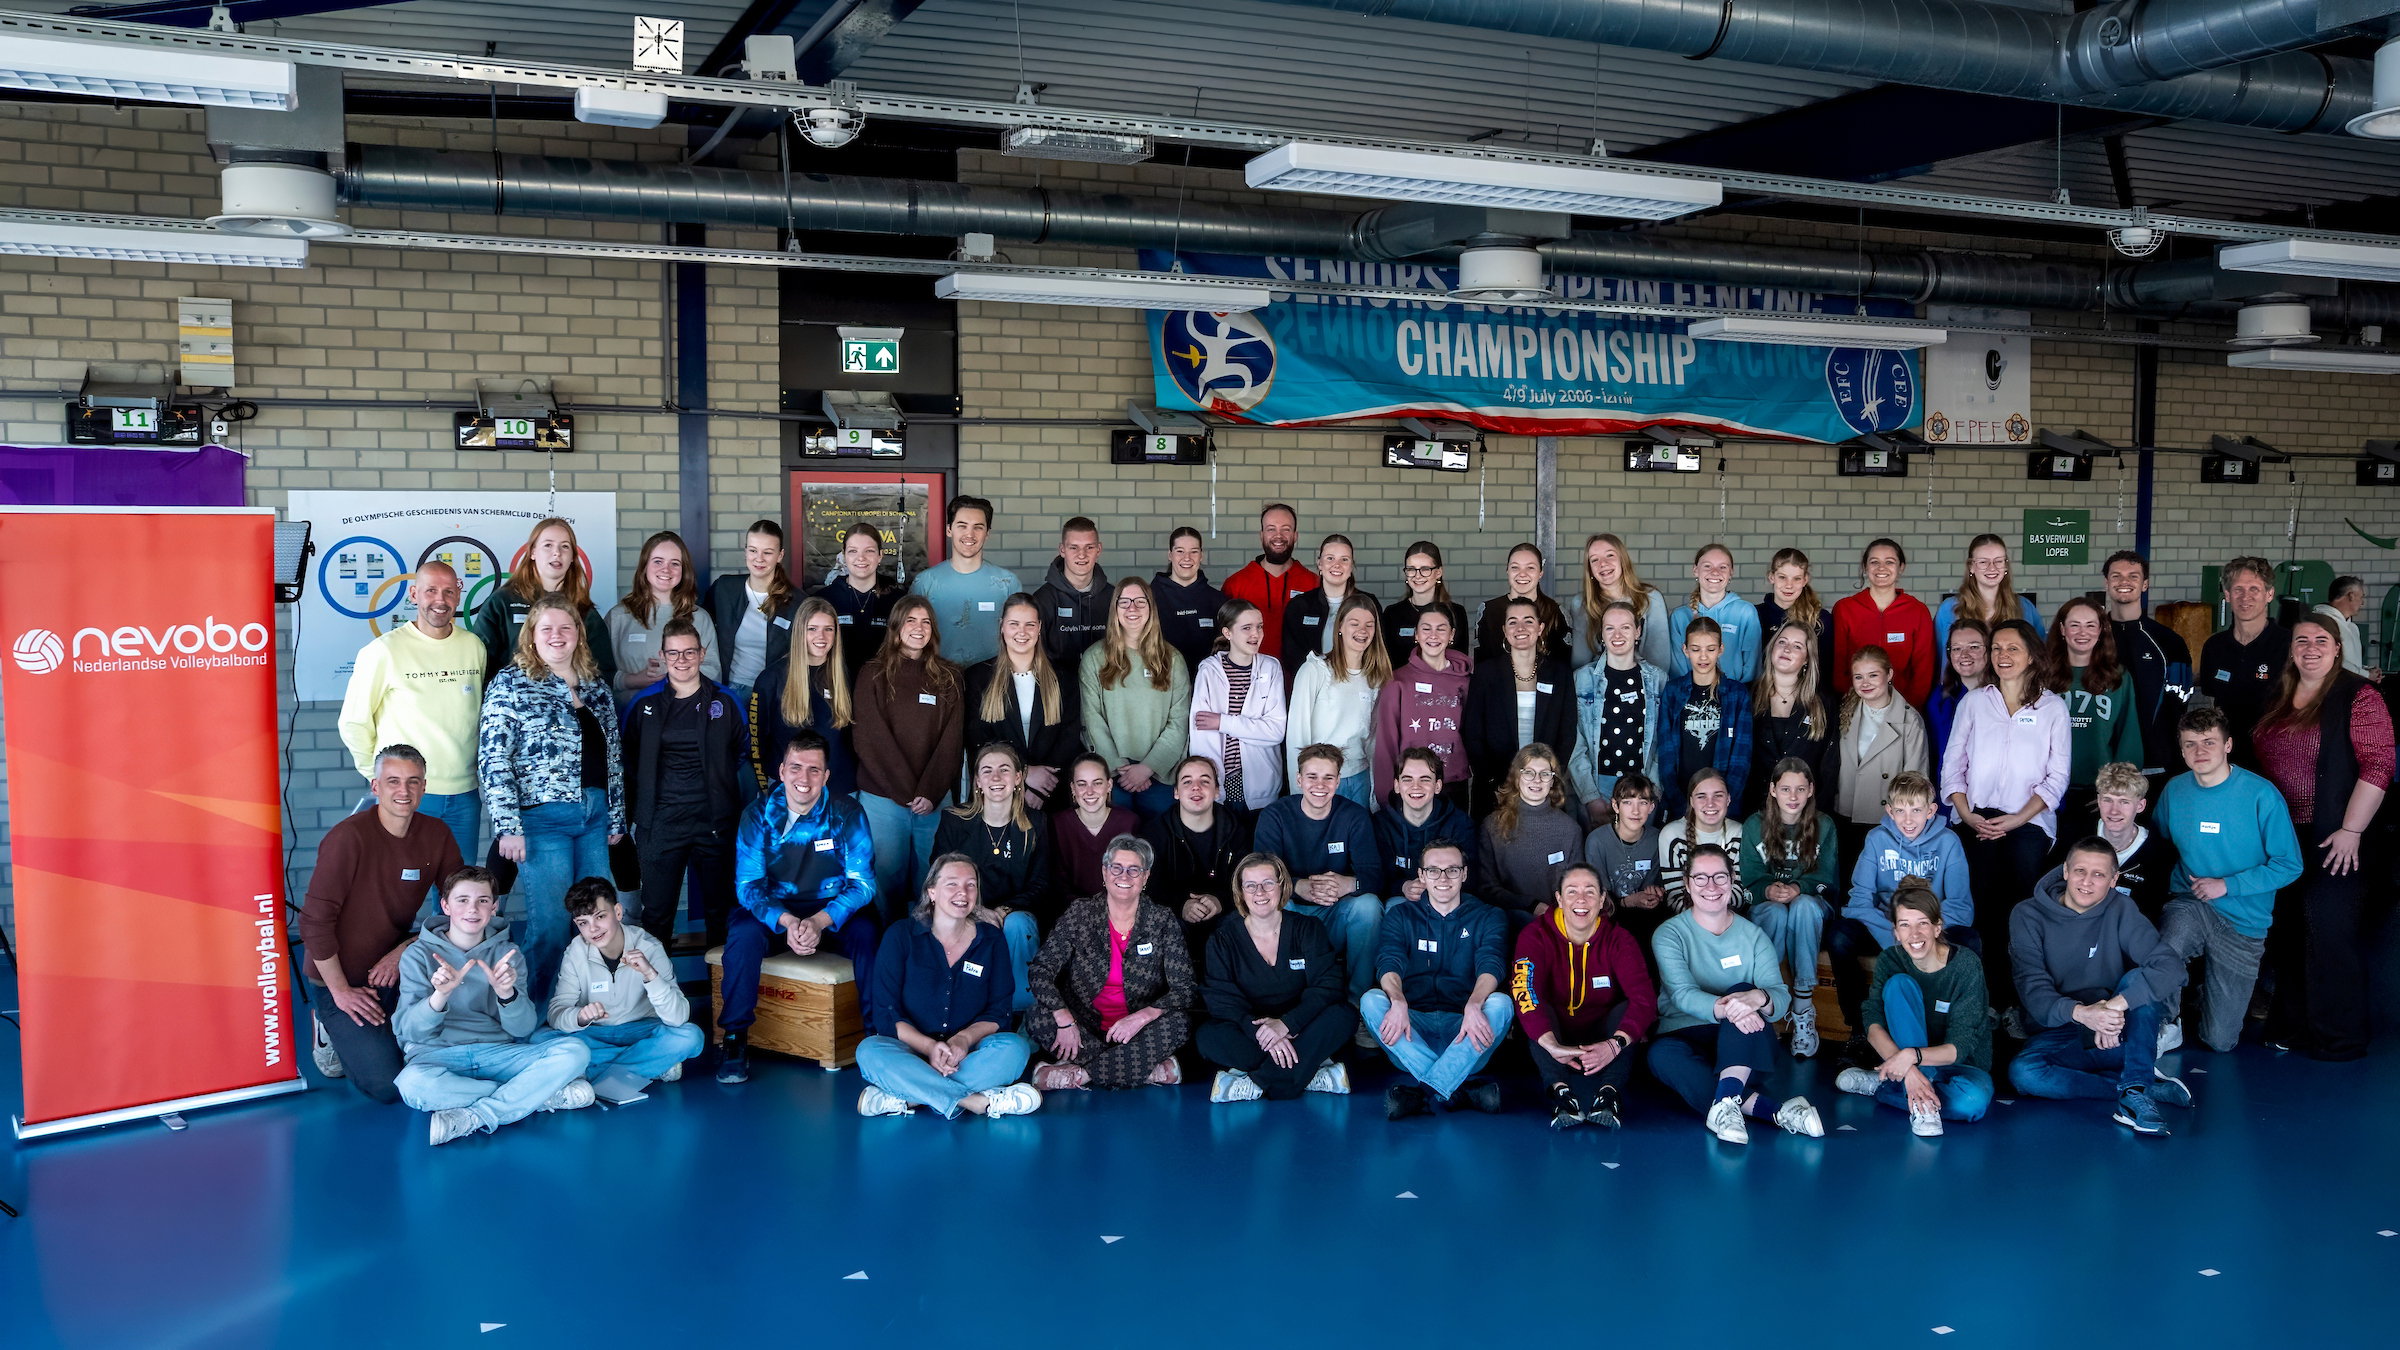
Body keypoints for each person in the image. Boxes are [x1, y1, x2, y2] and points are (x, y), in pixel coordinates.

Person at [476, 594, 626, 1006]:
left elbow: (612, 759)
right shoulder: (511, 683)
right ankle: (540, 1014)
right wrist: (507, 825)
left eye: (566, 627)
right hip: (543, 822)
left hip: (594, 818)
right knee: (553, 925)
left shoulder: (595, 687)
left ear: (579, 634)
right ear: (532, 636)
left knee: (599, 921)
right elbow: (493, 758)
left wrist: (616, 820)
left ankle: (594, 1007)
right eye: (547, 629)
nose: (557, 636)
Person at [2245, 626, 2385, 1060]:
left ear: (2338, 649)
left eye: (2321, 641)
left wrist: (2352, 831)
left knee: (2329, 932)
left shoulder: (2357, 695)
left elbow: (2378, 765)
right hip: (2283, 837)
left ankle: (2339, 1038)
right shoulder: (2277, 695)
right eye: (2302, 642)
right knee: (2287, 935)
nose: (2310, 649)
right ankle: (2294, 1027)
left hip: (2336, 834)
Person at [301, 745, 465, 1102]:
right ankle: (327, 1025)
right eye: (393, 781)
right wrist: (341, 992)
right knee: (387, 1085)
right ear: (375, 787)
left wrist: (404, 951)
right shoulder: (348, 838)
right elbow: (313, 923)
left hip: (396, 966)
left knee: (442, 1053)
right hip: (339, 976)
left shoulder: (437, 835)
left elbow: (459, 904)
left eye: (413, 782)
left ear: (424, 787)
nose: (403, 791)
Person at [718, 731, 880, 1084]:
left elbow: (863, 884)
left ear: (826, 776)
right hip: (776, 910)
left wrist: (821, 922)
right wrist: (789, 921)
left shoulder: (847, 812)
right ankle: (735, 1038)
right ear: (781, 770)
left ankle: (876, 1039)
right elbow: (748, 887)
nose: (803, 778)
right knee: (742, 935)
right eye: (796, 767)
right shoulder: (756, 815)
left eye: (813, 770)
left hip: (832, 909)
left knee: (870, 934)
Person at [396, 867, 594, 1147]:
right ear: (445, 905)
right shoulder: (417, 955)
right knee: (412, 1085)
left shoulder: (507, 954)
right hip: (438, 1055)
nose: (472, 909)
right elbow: (410, 1032)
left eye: (483, 900)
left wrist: (507, 994)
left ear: (494, 907)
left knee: (576, 1052)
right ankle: (535, 1097)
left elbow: (522, 1028)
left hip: (499, 1052)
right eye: (462, 900)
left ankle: (476, 1116)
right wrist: (438, 996)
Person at [2007, 839, 2193, 1136]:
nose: (2087, 881)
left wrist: (2114, 1008)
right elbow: (2034, 992)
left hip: (2111, 1031)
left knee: (2137, 981)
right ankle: (2139, 1086)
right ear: (2065, 871)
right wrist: (2084, 1015)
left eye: (2099, 874)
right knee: (2024, 1074)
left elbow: (2171, 968)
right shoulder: (2027, 914)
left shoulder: (2121, 908)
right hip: (2061, 1031)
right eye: (2080, 870)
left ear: (2114, 879)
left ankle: (2134, 1089)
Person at [1648, 845, 1824, 1144]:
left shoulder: (1753, 935)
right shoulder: (1669, 934)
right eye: (1701, 878)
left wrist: (1759, 999)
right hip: (1684, 1036)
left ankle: (1728, 1103)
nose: (1711, 886)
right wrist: (1731, 1008)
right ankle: (1776, 1112)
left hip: (1745, 1044)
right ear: (1688, 884)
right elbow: (1682, 995)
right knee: (1659, 1055)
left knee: (1745, 992)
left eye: (1720, 877)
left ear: (1732, 881)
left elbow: (1780, 998)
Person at [1941, 618, 2068, 1017]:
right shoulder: (1975, 702)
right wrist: (1965, 814)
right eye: (1996, 649)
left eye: (2012, 648)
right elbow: (1952, 765)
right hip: (1974, 818)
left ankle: (2017, 1002)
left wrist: (2015, 821)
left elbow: (2057, 777)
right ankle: (1982, 1001)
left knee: (2018, 910)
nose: (2002, 656)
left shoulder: (2052, 707)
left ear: (2031, 654)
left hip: (2027, 822)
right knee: (1976, 908)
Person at [855, 855, 1043, 1119]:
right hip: (911, 1051)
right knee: (869, 1051)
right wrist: (930, 1048)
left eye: (970, 885)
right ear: (931, 891)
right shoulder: (901, 935)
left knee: (1015, 1049)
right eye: (952, 884)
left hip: (967, 1055)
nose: (962, 893)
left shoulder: (991, 940)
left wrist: (962, 1041)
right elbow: (886, 1013)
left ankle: (907, 1096)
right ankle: (978, 1103)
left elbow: (999, 1012)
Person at [337, 560, 486, 854]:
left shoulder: (473, 647)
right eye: (430, 591)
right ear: (414, 594)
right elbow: (353, 722)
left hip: (464, 795)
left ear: (459, 594)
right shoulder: (382, 651)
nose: (440, 600)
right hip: (408, 794)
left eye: (448, 591)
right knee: (404, 892)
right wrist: (379, 776)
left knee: (459, 891)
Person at [1027, 835, 1195, 1091]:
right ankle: (1144, 1070)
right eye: (1116, 868)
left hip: (1139, 1031)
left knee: (1178, 1024)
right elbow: (1041, 969)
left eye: (1133, 870)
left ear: (1145, 877)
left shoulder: (1161, 920)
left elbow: (1185, 989)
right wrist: (1064, 1018)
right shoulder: (1080, 913)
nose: (1124, 876)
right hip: (1083, 1025)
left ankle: (1082, 1075)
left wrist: (1141, 1017)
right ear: (1104, 873)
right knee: (1039, 1016)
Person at [1831, 878, 1993, 1136]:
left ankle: (1885, 1086)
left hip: (1958, 1064)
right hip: (1906, 1060)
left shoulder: (1965, 965)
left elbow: (1960, 1047)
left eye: (1923, 924)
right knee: (1898, 985)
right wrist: (1910, 1068)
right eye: (1905, 925)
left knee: (1970, 1104)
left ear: (1937, 927)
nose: (1914, 935)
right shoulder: (1891, 960)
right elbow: (1872, 1023)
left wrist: (1910, 1058)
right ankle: (1918, 1098)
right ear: (1895, 931)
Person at [620, 620, 746, 949]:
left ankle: (722, 996)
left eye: (689, 651)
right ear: (662, 655)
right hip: (660, 822)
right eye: (673, 652)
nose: (681, 659)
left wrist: (718, 788)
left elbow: (742, 753)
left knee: (721, 912)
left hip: (714, 821)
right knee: (658, 914)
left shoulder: (726, 701)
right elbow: (628, 761)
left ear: (702, 653)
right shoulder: (643, 703)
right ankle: (657, 997)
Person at [1364, 839, 1513, 1118]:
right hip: (1411, 1033)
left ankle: (1426, 1091)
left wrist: (1473, 1004)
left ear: (1465, 874)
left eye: (1452, 870)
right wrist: (1397, 1001)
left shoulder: (1488, 916)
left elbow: (1491, 964)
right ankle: (1457, 1091)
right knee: (1371, 1000)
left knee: (1501, 1003)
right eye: (1433, 870)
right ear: (1421, 876)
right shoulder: (1401, 915)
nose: (1443, 878)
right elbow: (1389, 960)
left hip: (1465, 1034)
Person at [1827, 771, 1974, 1044]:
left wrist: (1921, 935)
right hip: (1886, 930)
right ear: (1889, 811)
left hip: (1931, 931)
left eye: (1916, 810)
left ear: (1931, 810)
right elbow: (1858, 900)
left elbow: (1960, 907)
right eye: (1901, 811)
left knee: (1970, 940)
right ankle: (1860, 1029)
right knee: (1840, 935)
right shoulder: (1876, 839)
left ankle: (1952, 1030)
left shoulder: (1948, 842)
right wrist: (1896, 936)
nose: (1908, 820)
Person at [1198, 852, 1359, 1102]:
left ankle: (1259, 1081)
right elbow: (1223, 1001)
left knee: (1344, 1016)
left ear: (1281, 886)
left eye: (1268, 883)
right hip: (1251, 1031)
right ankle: (1309, 1072)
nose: (1259, 892)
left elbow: (1327, 986)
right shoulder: (1222, 940)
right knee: (1208, 1037)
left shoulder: (1308, 928)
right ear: (1240, 892)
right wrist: (1264, 1035)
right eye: (1250, 885)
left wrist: (1286, 1024)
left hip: (1302, 1026)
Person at [1512, 863, 1655, 1130]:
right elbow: (1524, 990)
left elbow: (1644, 999)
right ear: (1558, 898)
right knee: (1534, 1012)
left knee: (1628, 1011)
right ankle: (1561, 1094)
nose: (1581, 900)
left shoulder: (1619, 940)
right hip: (1554, 1035)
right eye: (1572, 891)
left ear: (1602, 899)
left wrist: (1614, 1044)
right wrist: (1551, 1044)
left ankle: (1609, 1095)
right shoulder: (1535, 935)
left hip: (1603, 1034)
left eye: (1590, 892)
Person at [852, 594, 966, 914]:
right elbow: (870, 738)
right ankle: (888, 954)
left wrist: (929, 791)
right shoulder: (872, 674)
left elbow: (952, 740)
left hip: (933, 799)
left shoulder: (949, 676)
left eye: (926, 621)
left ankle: (927, 951)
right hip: (883, 799)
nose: (919, 628)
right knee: (884, 882)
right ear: (896, 627)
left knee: (932, 882)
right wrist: (905, 791)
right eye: (911, 621)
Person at [1257, 743, 1388, 1002]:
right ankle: (1283, 1001)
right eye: (1312, 777)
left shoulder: (1353, 816)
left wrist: (1347, 884)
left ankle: (1357, 1001)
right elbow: (1261, 876)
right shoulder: (1276, 815)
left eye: (1328, 777)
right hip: (1291, 911)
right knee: (1265, 905)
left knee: (1368, 906)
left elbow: (1375, 876)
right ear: (1298, 779)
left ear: (1338, 781)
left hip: (1333, 912)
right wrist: (1297, 886)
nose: (1320, 785)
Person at [542, 877, 704, 1084]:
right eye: (583, 923)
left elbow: (678, 1017)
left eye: (600, 916)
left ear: (618, 912)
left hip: (642, 1031)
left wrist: (650, 975)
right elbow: (557, 1012)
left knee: (691, 1037)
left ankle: (594, 1074)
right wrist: (579, 1016)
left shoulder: (649, 946)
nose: (593, 929)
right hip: (596, 1033)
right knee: (541, 1040)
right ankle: (651, 1064)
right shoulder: (576, 951)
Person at [929, 743, 1053, 1012]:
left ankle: (1022, 1013)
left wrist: (1002, 911)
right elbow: (939, 878)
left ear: (1018, 778)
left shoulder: (1037, 822)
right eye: (987, 771)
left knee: (1017, 925)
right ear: (977, 781)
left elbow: (1042, 884)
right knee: (968, 926)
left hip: (1016, 914)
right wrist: (976, 910)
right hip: (963, 910)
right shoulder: (954, 820)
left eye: (1004, 770)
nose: (996, 778)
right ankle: (965, 1011)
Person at [1740, 758, 1839, 1058]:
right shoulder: (1755, 825)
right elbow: (1748, 877)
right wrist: (1767, 889)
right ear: (1772, 790)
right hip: (1769, 905)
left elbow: (1825, 878)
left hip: (1812, 906)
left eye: (1799, 789)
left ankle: (1803, 1008)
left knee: (1803, 907)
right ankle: (1766, 1001)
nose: (1793, 797)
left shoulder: (1824, 825)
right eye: (1785, 789)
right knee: (1775, 911)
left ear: (1811, 790)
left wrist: (1799, 888)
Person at [1079, 576, 1192, 821]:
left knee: (1159, 846)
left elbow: (1179, 721)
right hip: (1111, 773)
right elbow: (1092, 718)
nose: (1132, 608)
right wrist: (1120, 768)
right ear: (1114, 609)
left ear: (1151, 609)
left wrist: (1147, 767)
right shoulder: (1095, 658)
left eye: (1140, 602)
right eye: (1125, 602)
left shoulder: (1172, 659)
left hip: (1160, 774)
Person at [962, 594, 1081, 812]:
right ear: (1002, 627)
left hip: (1050, 794)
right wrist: (1024, 773)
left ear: (1039, 628)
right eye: (1014, 624)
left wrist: (1040, 787)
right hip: (997, 793)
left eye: (1030, 625)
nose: (1022, 632)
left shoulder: (1063, 678)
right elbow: (978, 738)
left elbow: (1070, 737)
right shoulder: (978, 678)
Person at [469, 515, 615, 684]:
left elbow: (603, 670)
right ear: (532, 552)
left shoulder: (584, 610)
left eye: (565, 547)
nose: (557, 553)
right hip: (515, 704)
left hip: (569, 705)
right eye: (548, 545)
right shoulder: (503, 601)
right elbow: (479, 663)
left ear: (573, 557)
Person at [1466, 596, 1576, 810]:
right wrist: (1494, 781)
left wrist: (1549, 776)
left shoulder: (1559, 674)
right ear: (1505, 630)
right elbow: (1473, 733)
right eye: (1513, 622)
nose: (1521, 627)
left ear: (1540, 628)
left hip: (1544, 787)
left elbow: (1567, 731)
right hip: (1495, 789)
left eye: (1528, 621)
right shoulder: (1486, 674)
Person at [2046, 596, 2143, 837]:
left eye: (2091, 625)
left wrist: (2115, 792)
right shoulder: (2042, 677)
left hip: (2098, 793)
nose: (2083, 632)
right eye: (2074, 624)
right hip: (2047, 792)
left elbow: (2128, 736)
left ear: (2101, 631)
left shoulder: (2117, 677)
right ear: (2062, 629)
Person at [1141, 756, 1255, 954]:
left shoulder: (1236, 829)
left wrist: (1221, 901)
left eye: (1205, 781)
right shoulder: (1155, 832)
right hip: (1175, 915)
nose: (1196, 787)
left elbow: (1248, 880)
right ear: (1176, 792)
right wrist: (1181, 905)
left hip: (1225, 913)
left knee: (1249, 919)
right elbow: (1149, 886)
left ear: (1217, 790)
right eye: (1187, 781)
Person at [1830, 645, 1928, 874]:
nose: (1865, 683)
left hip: (1887, 819)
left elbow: (1916, 779)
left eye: (1873, 675)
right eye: (1858, 676)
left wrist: (1905, 820)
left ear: (1889, 674)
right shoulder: (1845, 710)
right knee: (1848, 881)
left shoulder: (1910, 720)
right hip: (1846, 814)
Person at [750, 597, 855, 807]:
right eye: (812, 629)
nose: (821, 637)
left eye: (829, 629)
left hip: (838, 790)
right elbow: (756, 741)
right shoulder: (771, 678)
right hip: (789, 791)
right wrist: (765, 784)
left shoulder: (844, 676)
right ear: (800, 632)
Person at [1568, 597, 1666, 823]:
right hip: (1596, 786)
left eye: (1625, 627)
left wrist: (1651, 793)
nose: (1617, 635)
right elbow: (1575, 742)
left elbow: (1664, 742)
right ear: (1601, 633)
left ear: (1638, 631)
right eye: (1610, 628)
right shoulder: (1582, 680)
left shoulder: (1657, 680)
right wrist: (1590, 797)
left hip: (1643, 788)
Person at [1288, 595, 1390, 810]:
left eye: (1369, 625)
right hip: (1322, 780)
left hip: (1360, 778)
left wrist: (1373, 789)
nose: (1362, 631)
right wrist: (1298, 794)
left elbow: (1372, 739)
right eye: (1355, 623)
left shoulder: (1375, 677)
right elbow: (1297, 734)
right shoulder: (1315, 670)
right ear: (1340, 626)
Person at [1371, 603, 1473, 809]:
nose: (1433, 635)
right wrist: (1386, 796)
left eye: (1441, 628)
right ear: (1416, 634)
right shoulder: (1397, 681)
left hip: (1453, 783)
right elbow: (1386, 744)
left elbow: (1472, 733)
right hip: (1412, 786)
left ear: (1451, 634)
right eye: (1426, 628)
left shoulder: (1465, 680)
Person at [1191, 598, 1289, 812]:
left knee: (1259, 844)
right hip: (1219, 786)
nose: (1256, 634)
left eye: (1259, 627)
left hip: (1262, 783)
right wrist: (1209, 781)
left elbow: (1275, 731)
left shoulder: (1270, 668)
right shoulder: (1209, 671)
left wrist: (1222, 722)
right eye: (1246, 628)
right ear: (1228, 633)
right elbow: (1201, 735)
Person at [2102, 549, 2194, 773]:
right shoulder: (2089, 637)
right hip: (2098, 760)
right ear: (2106, 583)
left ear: (2145, 584)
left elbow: (2178, 707)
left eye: (2133, 576)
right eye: (2116, 576)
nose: (2124, 581)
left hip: (2153, 764)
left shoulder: (2169, 642)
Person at [1474, 744, 1582, 930]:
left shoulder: (1570, 829)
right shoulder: (1492, 826)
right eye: (1529, 772)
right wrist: (1531, 905)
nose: (1537, 780)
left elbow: (1577, 885)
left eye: (1545, 774)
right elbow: (1486, 888)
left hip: (1558, 924)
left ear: (1553, 781)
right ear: (1517, 777)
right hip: (1508, 921)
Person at [1654, 617, 1753, 818]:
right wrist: (1679, 802)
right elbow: (1666, 753)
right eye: (1696, 649)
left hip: (1723, 803)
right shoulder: (1673, 691)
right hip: (1681, 799)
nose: (1703, 656)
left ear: (1721, 649)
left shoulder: (1737, 693)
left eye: (1710, 649)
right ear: (1685, 650)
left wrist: (1723, 802)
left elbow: (1741, 758)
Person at [606, 530, 717, 706]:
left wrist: (670, 679)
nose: (666, 569)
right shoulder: (618, 616)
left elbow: (712, 672)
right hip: (628, 720)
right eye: (658, 561)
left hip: (684, 718)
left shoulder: (699, 618)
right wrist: (633, 680)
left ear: (684, 570)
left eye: (675, 563)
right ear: (644, 566)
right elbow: (601, 673)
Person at [909, 494, 1021, 667]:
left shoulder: (1007, 583)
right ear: (949, 530)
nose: (970, 534)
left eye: (978, 527)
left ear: (988, 533)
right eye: (962, 526)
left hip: (991, 682)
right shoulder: (925, 582)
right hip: (937, 680)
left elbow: (1019, 639)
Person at [2197, 555, 2291, 755]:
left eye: (2254, 589)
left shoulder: (2289, 645)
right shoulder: (2215, 646)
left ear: (2269, 594)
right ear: (2228, 594)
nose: (2245, 597)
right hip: (2228, 757)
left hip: (2277, 755)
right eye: (2238, 589)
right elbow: (2212, 701)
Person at [1744, 619, 1835, 817]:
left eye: (1797, 646)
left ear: (1806, 659)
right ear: (1771, 649)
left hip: (1806, 814)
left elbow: (1829, 766)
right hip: (1753, 811)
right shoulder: (1746, 696)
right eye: (1782, 642)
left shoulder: (1823, 703)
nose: (1787, 649)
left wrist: (1822, 813)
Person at [1831, 538, 1937, 706]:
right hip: (1854, 708)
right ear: (1865, 567)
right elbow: (1838, 667)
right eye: (1874, 562)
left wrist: (1907, 709)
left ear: (1901, 567)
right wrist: (1852, 705)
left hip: (1903, 709)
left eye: (1890, 562)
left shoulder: (1918, 611)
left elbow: (1923, 671)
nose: (1881, 568)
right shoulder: (1845, 609)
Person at [708, 518, 801, 701]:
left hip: (774, 693)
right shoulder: (724, 589)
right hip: (727, 691)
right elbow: (698, 625)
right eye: (753, 550)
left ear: (780, 555)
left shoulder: (797, 601)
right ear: (745, 551)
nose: (759, 558)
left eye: (767, 552)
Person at [1375, 747, 1480, 906]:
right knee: (1394, 906)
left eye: (1424, 779)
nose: (1416, 786)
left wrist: (1438, 887)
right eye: (1407, 779)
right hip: (1403, 901)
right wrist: (1403, 886)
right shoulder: (1381, 824)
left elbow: (1472, 879)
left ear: (1437, 786)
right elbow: (1375, 877)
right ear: (1397, 785)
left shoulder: (1460, 824)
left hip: (1448, 902)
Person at [1223, 503, 1318, 664]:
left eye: (1286, 529)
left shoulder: (1314, 583)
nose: (1278, 536)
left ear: (1296, 536)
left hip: (1301, 681)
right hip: (1250, 683)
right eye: (1271, 529)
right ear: (1261, 535)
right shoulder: (1235, 585)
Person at [1582, 773, 1667, 952]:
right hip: (1610, 918)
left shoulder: (1657, 839)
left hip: (1646, 918)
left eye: (1642, 802)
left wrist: (1655, 893)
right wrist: (1628, 902)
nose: (1635, 811)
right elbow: (1597, 897)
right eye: (1628, 802)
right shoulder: (1597, 841)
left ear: (1651, 807)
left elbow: (1655, 885)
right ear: (1615, 805)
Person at [1280, 533, 1379, 685]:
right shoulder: (1299, 606)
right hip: (1314, 687)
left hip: (1358, 687)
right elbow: (1292, 657)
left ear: (1351, 565)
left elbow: (1378, 652)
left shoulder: (1368, 603)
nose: (1337, 565)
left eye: (1344, 559)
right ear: (1319, 563)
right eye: (1330, 558)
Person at [2089, 760, 2178, 924]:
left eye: (2124, 802)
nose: (2114, 811)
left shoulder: (2159, 853)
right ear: (2099, 801)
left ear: (2140, 805)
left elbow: (2151, 912)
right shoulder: (2076, 837)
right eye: (2108, 800)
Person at [810, 522, 898, 679]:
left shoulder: (897, 600)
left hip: (884, 687)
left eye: (869, 551)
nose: (861, 558)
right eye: (853, 551)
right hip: (834, 687)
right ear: (844, 556)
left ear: (880, 556)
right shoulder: (822, 600)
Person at [1933, 533, 2046, 655]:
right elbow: (1939, 658)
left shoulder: (2025, 607)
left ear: (2006, 565)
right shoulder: (1948, 609)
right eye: (1983, 562)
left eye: (1998, 561)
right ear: (1971, 566)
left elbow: (2040, 655)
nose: (1992, 568)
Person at [1579, 532, 1673, 672]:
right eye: (1594, 560)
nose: (1603, 564)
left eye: (1610, 555)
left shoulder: (1651, 598)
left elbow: (1660, 660)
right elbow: (1579, 660)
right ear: (1590, 570)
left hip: (1643, 682)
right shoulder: (1580, 603)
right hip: (1596, 683)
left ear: (1623, 560)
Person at [1668, 543, 1763, 683]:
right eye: (1707, 566)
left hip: (1735, 696)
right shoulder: (1680, 616)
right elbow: (1678, 668)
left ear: (1731, 572)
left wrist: (1736, 694)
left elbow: (1752, 664)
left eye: (1723, 567)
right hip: (1691, 697)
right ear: (1695, 570)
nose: (1715, 572)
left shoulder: (1745, 612)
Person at [1051, 753, 1138, 906]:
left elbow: (1137, 877)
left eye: (1097, 783)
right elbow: (1056, 880)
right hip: (1072, 912)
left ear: (1109, 785)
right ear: (1073, 788)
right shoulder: (1058, 824)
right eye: (1082, 784)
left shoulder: (1129, 822)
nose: (1089, 791)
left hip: (1120, 911)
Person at [1032, 515, 1112, 670]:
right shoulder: (1042, 600)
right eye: (1073, 547)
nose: (1082, 555)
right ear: (1062, 550)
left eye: (1089, 547)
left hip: (1105, 687)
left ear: (1099, 549)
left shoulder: (1114, 597)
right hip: (1058, 689)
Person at [1755, 547, 1836, 699]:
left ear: (1805, 580)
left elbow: (1825, 669)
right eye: (1782, 577)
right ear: (1771, 577)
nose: (1789, 585)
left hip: (1807, 700)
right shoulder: (1755, 615)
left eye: (1796, 578)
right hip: (1761, 698)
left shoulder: (1820, 620)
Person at [1473, 542, 1572, 665]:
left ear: (1540, 573)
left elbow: (1563, 667)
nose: (1522, 574)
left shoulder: (1556, 612)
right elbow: (1481, 664)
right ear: (1507, 570)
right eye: (1515, 567)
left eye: (1530, 567)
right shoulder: (1487, 610)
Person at [1658, 768, 1743, 908]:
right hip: (1688, 919)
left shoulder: (1739, 833)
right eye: (1701, 796)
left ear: (1728, 799)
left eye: (1718, 795)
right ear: (1691, 801)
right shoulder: (1672, 835)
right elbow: (1674, 898)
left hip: (1729, 915)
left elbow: (1739, 893)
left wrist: (1716, 915)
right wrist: (1704, 918)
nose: (1710, 803)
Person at [1382, 540, 1472, 669]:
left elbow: (1461, 662)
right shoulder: (1392, 613)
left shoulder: (1456, 612)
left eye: (1425, 569)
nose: (1417, 576)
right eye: (1411, 569)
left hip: (1444, 687)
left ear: (1438, 572)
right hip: (1402, 686)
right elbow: (1386, 661)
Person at [1153, 526, 1229, 675]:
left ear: (1201, 555)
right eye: (1180, 551)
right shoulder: (1150, 597)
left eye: (1194, 551)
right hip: (1161, 684)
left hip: (1207, 686)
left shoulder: (1218, 601)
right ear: (1170, 555)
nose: (1187, 558)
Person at [1926, 618, 1991, 785]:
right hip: (1947, 798)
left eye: (1974, 647)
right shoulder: (1938, 700)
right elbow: (1933, 756)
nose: (1964, 655)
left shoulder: (2004, 697)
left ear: (1990, 650)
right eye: (1956, 648)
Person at [2314, 574, 2374, 679]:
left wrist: (2366, 670)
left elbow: (2349, 662)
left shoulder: (2353, 628)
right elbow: (2331, 660)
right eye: (2361, 597)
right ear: (2351, 596)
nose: (2362, 602)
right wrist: (2366, 675)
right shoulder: (2322, 622)